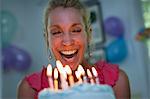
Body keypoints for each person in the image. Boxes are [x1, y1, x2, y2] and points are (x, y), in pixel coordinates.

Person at [17, 0, 131, 99]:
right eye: (56, 32)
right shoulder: (29, 89)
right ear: (47, 39)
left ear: (89, 35)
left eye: (76, 30)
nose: (67, 42)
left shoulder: (117, 81)